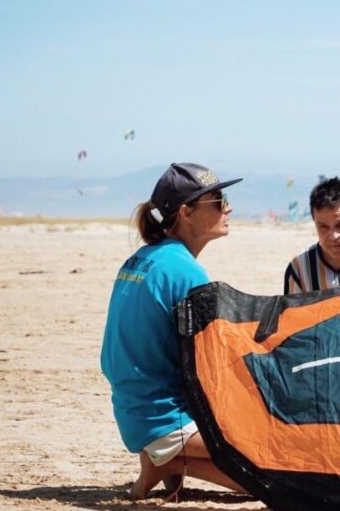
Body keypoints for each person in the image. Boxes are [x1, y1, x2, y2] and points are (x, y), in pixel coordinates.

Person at [100, 162, 245, 501]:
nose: (229, 207)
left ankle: (162, 460)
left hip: (133, 412)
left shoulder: (142, 258)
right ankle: (167, 461)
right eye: (218, 200)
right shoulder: (185, 272)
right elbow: (209, 366)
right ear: (186, 212)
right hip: (162, 418)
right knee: (272, 478)